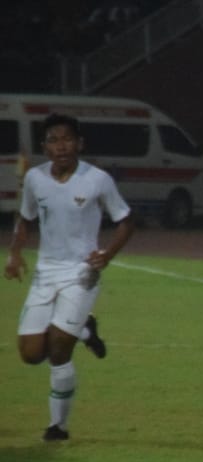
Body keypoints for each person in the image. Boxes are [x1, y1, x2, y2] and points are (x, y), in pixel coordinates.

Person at [4, 112, 129, 442]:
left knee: (59, 351)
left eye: (67, 139)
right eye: (54, 140)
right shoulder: (35, 179)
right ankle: (86, 329)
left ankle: (57, 427)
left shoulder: (97, 180)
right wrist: (15, 254)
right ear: (45, 147)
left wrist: (107, 254)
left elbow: (126, 221)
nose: (62, 146)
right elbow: (24, 218)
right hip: (45, 273)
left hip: (82, 273)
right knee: (31, 354)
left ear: (80, 143)